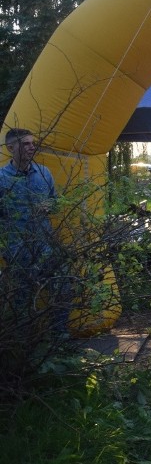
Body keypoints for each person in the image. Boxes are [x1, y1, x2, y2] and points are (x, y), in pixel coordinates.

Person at [0, 128, 62, 328]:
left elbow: (56, 202)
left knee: (62, 284)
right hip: (17, 249)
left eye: (32, 143)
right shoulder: (1, 178)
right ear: (11, 148)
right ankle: (25, 346)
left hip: (46, 246)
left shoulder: (44, 173)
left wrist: (49, 205)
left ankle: (60, 337)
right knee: (22, 298)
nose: (31, 147)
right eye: (25, 143)